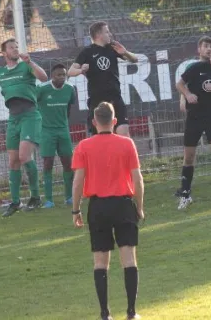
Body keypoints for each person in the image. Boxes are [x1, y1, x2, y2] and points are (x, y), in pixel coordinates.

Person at [72, 102, 145, 320]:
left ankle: (105, 314)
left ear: (94, 122)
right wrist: (139, 208)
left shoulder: (84, 146)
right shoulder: (127, 144)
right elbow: (138, 179)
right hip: (123, 205)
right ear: (114, 122)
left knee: (100, 262)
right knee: (129, 259)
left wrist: (75, 210)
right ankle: (131, 313)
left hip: (98, 207)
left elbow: (77, 182)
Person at [0, 38, 48, 217]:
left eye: (16, 47)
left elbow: (44, 77)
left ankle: (35, 197)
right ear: (4, 53)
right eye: (11, 48)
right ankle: (15, 202)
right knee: (13, 160)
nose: (15, 50)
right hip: (14, 119)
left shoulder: (25, 66)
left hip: (30, 115)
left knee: (23, 156)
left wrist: (30, 61)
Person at [175, 41, 211, 210]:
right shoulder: (197, 67)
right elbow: (179, 84)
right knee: (189, 157)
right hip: (194, 117)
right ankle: (185, 194)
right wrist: (188, 94)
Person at [67, 21, 138, 137]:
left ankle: (125, 155)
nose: (110, 34)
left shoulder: (113, 48)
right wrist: (81, 70)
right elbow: (70, 71)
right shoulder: (87, 52)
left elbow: (135, 60)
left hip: (115, 97)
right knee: (100, 138)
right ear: (99, 35)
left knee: (123, 133)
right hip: (97, 101)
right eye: (107, 32)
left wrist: (125, 52)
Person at [36, 63, 77, 208]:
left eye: (64, 75)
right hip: (46, 131)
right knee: (48, 164)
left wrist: (63, 123)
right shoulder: (42, 89)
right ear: (52, 76)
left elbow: (69, 108)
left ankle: (69, 197)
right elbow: (33, 106)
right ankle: (48, 200)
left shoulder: (70, 89)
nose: (62, 77)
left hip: (63, 131)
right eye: (59, 75)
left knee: (68, 164)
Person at [179, 36, 211, 113]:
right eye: (206, 46)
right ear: (199, 50)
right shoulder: (191, 67)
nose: (209, 49)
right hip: (196, 109)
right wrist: (183, 99)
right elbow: (184, 85)